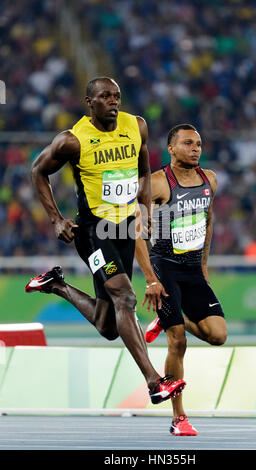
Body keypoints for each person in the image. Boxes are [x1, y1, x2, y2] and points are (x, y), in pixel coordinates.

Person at [25, 77, 185, 405]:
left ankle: (56, 285)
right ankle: (155, 382)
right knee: (125, 298)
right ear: (89, 102)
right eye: (105, 96)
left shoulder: (136, 126)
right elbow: (37, 171)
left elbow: (143, 171)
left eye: (117, 96)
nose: (113, 101)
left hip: (124, 229)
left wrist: (144, 210)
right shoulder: (73, 140)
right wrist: (56, 218)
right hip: (94, 230)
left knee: (109, 326)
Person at [135, 123, 227, 435]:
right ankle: (179, 418)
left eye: (199, 143)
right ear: (171, 149)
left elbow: (208, 221)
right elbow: (137, 231)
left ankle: (167, 316)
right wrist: (150, 278)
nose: (196, 148)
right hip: (165, 268)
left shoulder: (209, 180)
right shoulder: (158, 183)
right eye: (188, 143)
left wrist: (203, 268)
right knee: (179, 341)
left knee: (218, 335)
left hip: (192, 269)